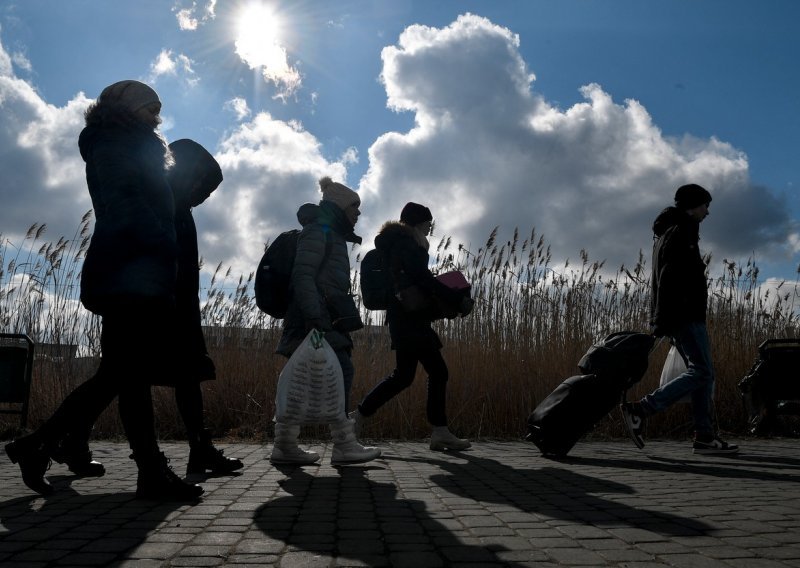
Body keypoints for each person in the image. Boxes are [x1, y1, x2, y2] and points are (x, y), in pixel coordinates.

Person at [4, 80, 204, 500]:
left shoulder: (133, 145)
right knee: (126, 373)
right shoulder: (113, 143)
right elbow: (125, 202)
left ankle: (40, 446)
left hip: (136, 269)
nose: (157, 116)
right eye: (149, 108)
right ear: (126, 107)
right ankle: (144, 470)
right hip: (128, 271)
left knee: (124, 374)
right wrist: (161, 244)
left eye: (159, 109)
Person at [270, 177, 381, 466]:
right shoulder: (318, 231)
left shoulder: (330, 234)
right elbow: (303, 275)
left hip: (319, 316)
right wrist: (315, 317)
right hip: (314, 318)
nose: (358, 214)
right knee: (338, 370)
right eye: (354, 208)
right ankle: (343, 445)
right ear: (340, 207)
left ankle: (285, 445)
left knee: (304, 379)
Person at [621, 183, 739, 455]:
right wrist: (666, 317)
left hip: (679, 314)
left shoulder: (669, 232)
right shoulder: (681, 230)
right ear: (692, 205)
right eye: (705, 206)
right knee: (702, 371)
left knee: (703, 375)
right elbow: (669, 277)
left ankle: (704, 436)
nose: (708, 212)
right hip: (684, 315)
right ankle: (641, 409)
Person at [349, 202, 474, 451]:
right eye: (427, 225)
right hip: (411, 321)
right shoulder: (409, 244)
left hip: (401, 318)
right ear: (416, 223)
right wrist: (456, 298)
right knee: (437, 372)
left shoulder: (393, 244)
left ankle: (357, 417)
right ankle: (439, 432)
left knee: (403, 377)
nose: (429, 230)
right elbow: (422, 279)